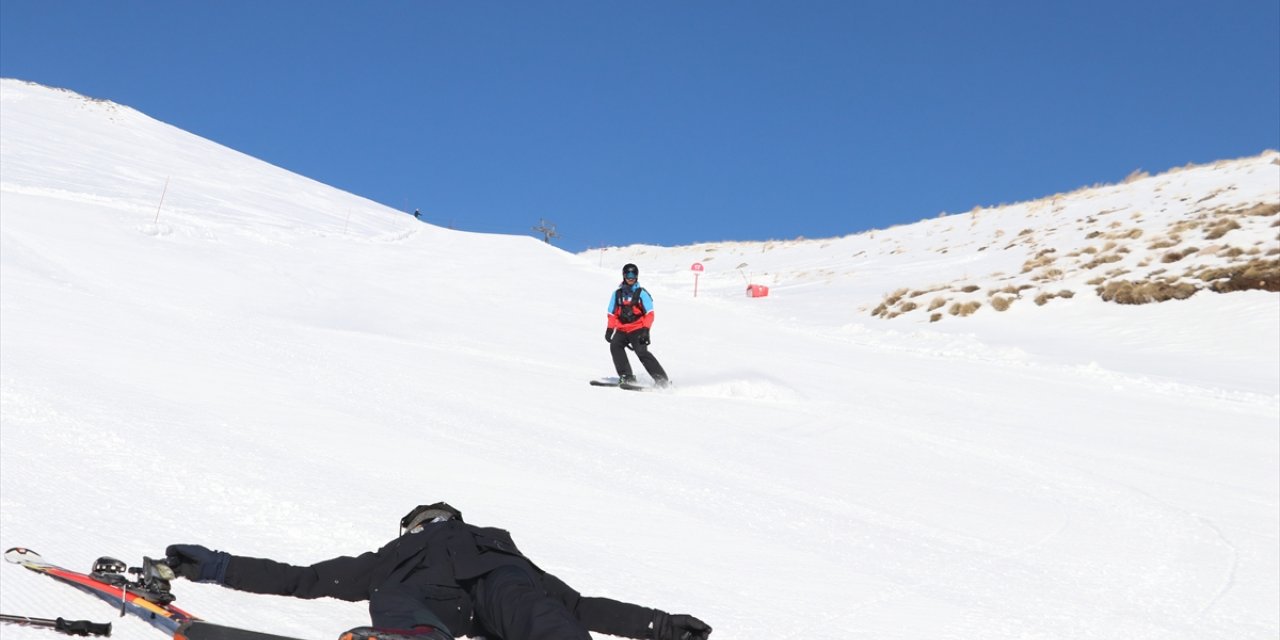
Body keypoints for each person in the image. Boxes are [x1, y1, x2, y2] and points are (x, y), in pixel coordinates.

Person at [163, 502, 710, 640]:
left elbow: (302, 579)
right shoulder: (395, 557)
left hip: (493, 591)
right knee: (396, 601)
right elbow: (303, 578)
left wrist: (659, 625)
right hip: (458, 598)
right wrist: (215, 565)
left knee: (539, 613)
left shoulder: (494, 547)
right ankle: (417, 638)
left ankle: (416, 636)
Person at [605, 263, 670, 387]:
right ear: (624, 276)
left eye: (633, 274)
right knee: (615, 345)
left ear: (637, 276)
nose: (631, 277)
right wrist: (609, 329)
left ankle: (662, 380)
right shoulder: (617, 294)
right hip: (622, 329)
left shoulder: (641, 293)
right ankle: (626, 376)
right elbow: (611, 313)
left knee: (641, 352)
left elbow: (650, 313)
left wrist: (646, 329)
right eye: (628, 274)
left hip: (638, 328)